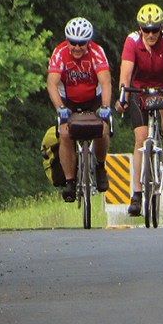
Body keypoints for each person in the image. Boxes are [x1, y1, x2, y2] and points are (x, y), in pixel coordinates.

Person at [115, 3, 163, 217]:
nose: (151, 34)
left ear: (162, 28)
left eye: (155, 30)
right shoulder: (132, 41)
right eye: (146, 30)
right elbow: (125, 74)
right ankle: (136, 194)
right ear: (140, 29)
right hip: (140, 90)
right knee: (140, 139)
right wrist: (123, 97)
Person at [47, 17, 114, 201]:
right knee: (65, 134)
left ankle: (100, 167)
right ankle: (70, 181)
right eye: (73, 43)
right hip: (68, 99)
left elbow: (105, 81)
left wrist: (106, 107)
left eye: (82, 43)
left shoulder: (97, 52)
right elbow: (52, 83)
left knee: (103, 130)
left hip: (93, 98)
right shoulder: (60, 53)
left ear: (88, 42)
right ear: (67, 40)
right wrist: (60, 107)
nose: (77, 48)